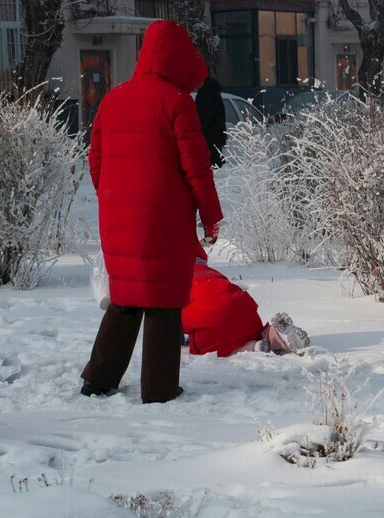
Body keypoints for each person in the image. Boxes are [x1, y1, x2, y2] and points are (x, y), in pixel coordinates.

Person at [81, 20, 223, 404]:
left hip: (119, 218)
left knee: (125, 297)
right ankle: (158, 390)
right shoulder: (176, 102)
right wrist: (211, 217)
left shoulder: (112, 100)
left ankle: (98, 379)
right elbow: (197, 169)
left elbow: (95, 161)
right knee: (163, 301)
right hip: (165, 219)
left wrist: (114, 199)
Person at [182, 246, 309, 357]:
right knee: (249, 330)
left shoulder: (169, 278)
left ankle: (253, 348)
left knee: (218, 351)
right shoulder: (209, 271)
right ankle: (273, 334)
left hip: (209, 320)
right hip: (244, 309)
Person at [195, 74, 227, 167]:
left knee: (212, 164)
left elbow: (205, 116)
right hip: (214, 136)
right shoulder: (211, 92)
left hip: (209, 136)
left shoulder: (207, 94)